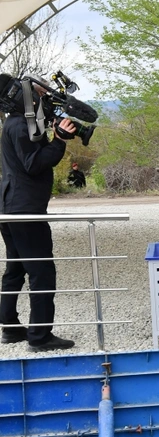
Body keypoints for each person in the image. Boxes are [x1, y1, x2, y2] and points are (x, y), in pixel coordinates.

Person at [0, 79, 77, 351]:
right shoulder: (20, 125)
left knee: (16, 269)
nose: (39, 96)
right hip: (25, 211)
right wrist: (60, 142)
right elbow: (33, 164)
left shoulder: (18, 122)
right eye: (35, 93)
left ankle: (9, 327)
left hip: (11, 207)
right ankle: (40, 336)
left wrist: (53, 130)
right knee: (42, 271)